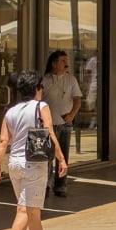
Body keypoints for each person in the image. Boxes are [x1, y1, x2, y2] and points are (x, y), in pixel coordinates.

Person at [0, 70, 66, 230]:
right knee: (25, 209)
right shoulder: (41, 106)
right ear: (37, 89)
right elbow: (49, 133)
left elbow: (3, 140)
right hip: (34, 163)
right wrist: (61, 159)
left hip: (14, 162)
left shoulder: (10, 111)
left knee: (32, 209)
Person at [40, 51, 82, 197]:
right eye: (62, 61)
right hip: (48, 125)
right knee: (47, 157)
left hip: (65, 124)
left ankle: (60, 187)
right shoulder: (44, 80)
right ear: (54, 63)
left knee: (63, 156)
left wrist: (72, 114)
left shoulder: (71, 80)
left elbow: (77, 99)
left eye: (66, 60)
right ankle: (45, 185)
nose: (66, 64)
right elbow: (38, 100)